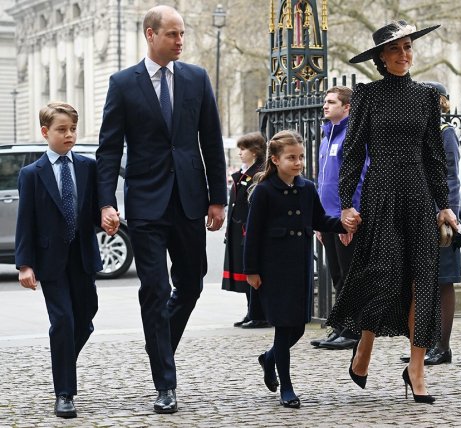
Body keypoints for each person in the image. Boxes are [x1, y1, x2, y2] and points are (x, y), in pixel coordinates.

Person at [97, 5, 227, 413]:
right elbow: (108, 149)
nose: (180, 41)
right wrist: (106, 201)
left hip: (190, 199)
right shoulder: (123, 84)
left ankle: (159, 347)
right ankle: (165, 384)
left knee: (191, 283)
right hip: (146, 203)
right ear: (150, 35)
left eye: (182, 34)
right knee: (154, 290)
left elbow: (211, 139)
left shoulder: (196, 78)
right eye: (172, 34)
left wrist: (218, 197)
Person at [325, 21, 457, 404]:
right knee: (382, 277)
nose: (404, 55)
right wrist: (347, 204)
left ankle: (416, 368)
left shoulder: (426, 98)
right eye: (395, 49)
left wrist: (444, 205)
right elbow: (351, 154)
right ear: (382, 58)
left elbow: (434, 156)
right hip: (380, 196)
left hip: (418, 197)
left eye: (408, 48)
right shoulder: (368, 96)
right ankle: (364, 345)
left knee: (422, 282)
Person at [243, 130, 352, 409]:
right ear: (276, 160)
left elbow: (319, 219)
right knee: (283, 329)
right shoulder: (264, 190)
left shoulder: (307, 188)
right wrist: (251, 271)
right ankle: (287, 387)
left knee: (299, 329)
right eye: (291, 157)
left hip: (300, 268)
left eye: (301, 157)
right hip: (274, 269)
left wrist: (345, 225)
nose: (298, 162)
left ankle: (268, 359)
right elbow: (252, 234)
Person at [15, 102, 105, 418]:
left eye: (72, 129)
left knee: (86, 319)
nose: (69, 135)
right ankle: (64, 393)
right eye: (61, 130)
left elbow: (93, 210)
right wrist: (25, 264)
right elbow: (24, 221)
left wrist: (106, 217)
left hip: (82, 258)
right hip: (50, 261)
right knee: (63, 321)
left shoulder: (87, 167)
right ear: (45, 132)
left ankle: (62, 359)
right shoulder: (32, 174)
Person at [401, 81, 461, 365]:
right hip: (415, 211)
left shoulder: (444, 132)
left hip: (438, 214)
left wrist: (446, 212)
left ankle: (443, 345)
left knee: (442, 281)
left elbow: (450, 177)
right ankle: (423, 344)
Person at [311, 86, 366, 350]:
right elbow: (324, 181)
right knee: (335, 274)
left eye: (331, 102)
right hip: (328, 218)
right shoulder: (326, 137)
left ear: (347, 108)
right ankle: (340, 327)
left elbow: (358, 178)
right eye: (325, 101)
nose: (325, 105)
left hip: (345, 218)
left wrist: (351, 215)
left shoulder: (352, 136)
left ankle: (353, 330)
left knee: (349, 276)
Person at [223, 132, 270, 329]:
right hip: (238, 227)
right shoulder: (245, 172)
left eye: (244, 149)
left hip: (247, 229)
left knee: (253, 271)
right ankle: (251, 311)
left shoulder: (258, 173)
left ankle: (259, 314)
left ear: (255, 151)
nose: (240, 153)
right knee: (244, 272)